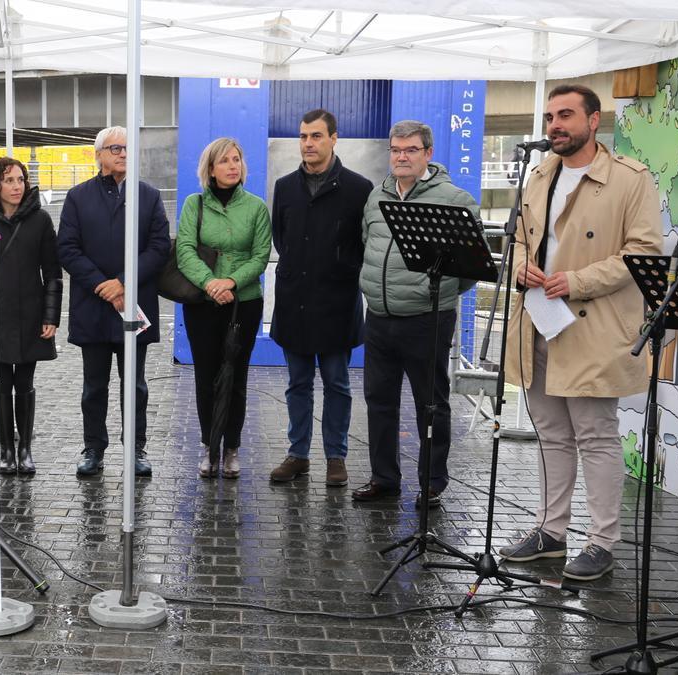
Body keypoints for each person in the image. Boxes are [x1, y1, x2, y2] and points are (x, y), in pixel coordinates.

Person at [499, 84, 662, 581]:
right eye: (550, 117)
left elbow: (645, 254)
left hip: (591, 324)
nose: (555, 125)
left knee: (595, 435)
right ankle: (551, 531)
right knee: (551, 432)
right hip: (539, 319)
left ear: (594, 121)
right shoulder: (540, 173)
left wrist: (578, 281)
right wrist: (523, 266)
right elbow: (523, 239)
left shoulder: (630, 179)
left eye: (566, 115)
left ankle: (602, 541)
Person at [352, 120, 483, 509]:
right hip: (378, 316)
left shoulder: (455, 200)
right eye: (395, 150)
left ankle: (432, 482)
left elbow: (470, 266)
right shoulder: (377, 197)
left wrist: (440, 295)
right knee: (379, 400)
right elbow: (367, 245)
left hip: (428, 317)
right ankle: (384, 478)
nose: (401, 157)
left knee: (431, 403)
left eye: (410, 150)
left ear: (428, 153)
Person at [267, 109, 374, 488]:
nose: (308, 143)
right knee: (297, 384)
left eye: (315, 136)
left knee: (337, 384)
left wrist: (338, 269)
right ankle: (298, 454)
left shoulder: (359, 189)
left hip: (337, 303)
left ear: (333, 138)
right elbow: (282, 239)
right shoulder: (284, 187)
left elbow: (365, 246)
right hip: (295, 300)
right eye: (303, 137)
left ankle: (336, 457)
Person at [57, 126, 170, 477]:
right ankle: (93, 447)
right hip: (93, 306)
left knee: (134, 384)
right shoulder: (77, 197)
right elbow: (67, 249)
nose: (123, 154)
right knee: (94, 385)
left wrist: (123, 282)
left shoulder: (148, 196)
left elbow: (159, 246)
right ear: (99, 154)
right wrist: (102, 285)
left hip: (132, 305)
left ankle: (136, 448)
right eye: (116, 148)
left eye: (127, 148)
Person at [175, 138, 270, 479]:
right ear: (210, 169)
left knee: (236, 376)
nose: (233, 166)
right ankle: (208, 445)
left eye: (237, 160)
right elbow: (184, 249)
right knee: (206, 376)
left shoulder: (256, 207)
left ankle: (231, 448)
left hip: (243, 304)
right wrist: (210, 283)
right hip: (203, 303)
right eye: (225, 161)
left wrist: (229, 281)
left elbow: (261, 256)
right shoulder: (193, 203)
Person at [0, 157, 62, 474]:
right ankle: (6, 449)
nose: (17, 186)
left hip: (31, 314)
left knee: (25, 381)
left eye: (20, 179)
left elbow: (53, 274)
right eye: (9, 180)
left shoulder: (41, 220)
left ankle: (25, 449)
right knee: (0, 382)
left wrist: (51, 316)